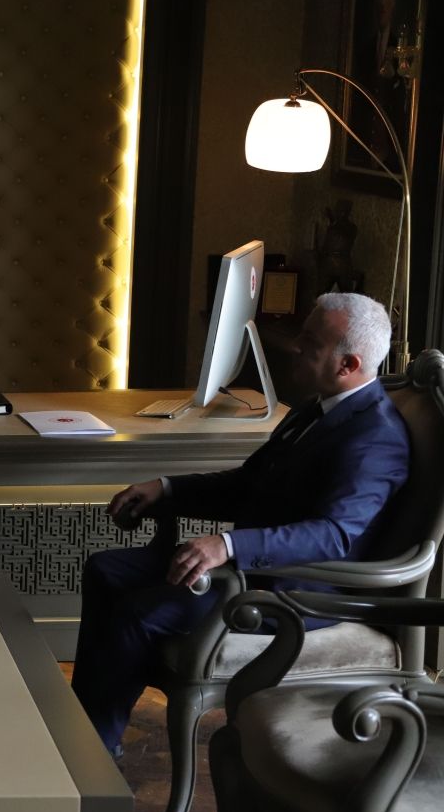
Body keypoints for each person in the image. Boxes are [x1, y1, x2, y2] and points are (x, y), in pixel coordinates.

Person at [71, 292, 410, 758]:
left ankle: (92, 750)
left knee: (139, 614)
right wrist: (166, 489)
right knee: (106, 570)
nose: (295, 346)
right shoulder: (315, 410)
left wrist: (227, 545)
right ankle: (85, 726)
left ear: (347, 364)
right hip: (251, 571)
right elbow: (248, 484)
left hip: (295, 591)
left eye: (310, 342)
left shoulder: (375, 437)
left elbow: (333, 534)